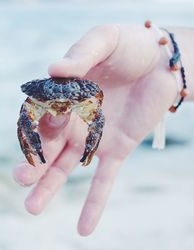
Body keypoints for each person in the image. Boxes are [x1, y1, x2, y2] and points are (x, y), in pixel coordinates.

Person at [13, 24, 194, 236]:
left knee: (96, 120)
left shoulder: (86, 101)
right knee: (25, 121)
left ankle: (86, 151)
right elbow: (25, 117)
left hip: (82, 98)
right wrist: (164, 56)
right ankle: (35, 150)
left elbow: (97, 113)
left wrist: (164, 59)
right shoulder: (35, 100)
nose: (61, 98)